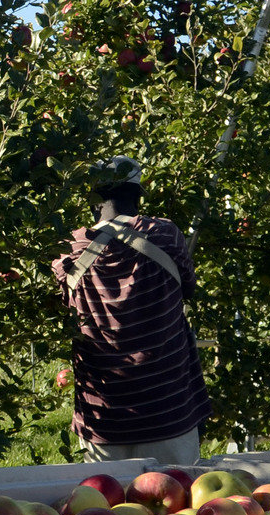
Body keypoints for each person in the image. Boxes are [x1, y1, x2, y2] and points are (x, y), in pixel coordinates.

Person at [50, 157, 213, 464]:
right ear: (138, 195)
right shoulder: (165, 235)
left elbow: (63, 303)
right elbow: (188, 287)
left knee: (105, 510)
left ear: (93, 198)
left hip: (103, 419)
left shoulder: (68, 248)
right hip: (169, 413)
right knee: (178, 508)